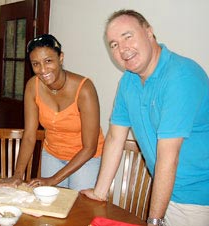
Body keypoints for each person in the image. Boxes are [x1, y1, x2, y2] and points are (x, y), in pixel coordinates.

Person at [81, 9, 209, 226]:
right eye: (113, 44)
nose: (122, 49)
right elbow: (114, 137)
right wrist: (100, 191)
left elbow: (169, 155)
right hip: (166, 191)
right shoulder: (129, 81)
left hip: (194, 200)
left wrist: (155, 221)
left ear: (149, 33)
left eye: (128, 36)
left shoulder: (180, 76)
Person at [0, 34, 104, 191]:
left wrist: (53, 180)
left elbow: (90, 148)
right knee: (49, 205)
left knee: (78, 208)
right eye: (36, 64)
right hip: (52, 155)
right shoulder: (33, 86)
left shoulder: (84, 89)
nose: (42, 70)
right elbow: (29, 135)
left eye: (48, 61)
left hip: (85, 159)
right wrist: (18, 175)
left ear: (60, 58)